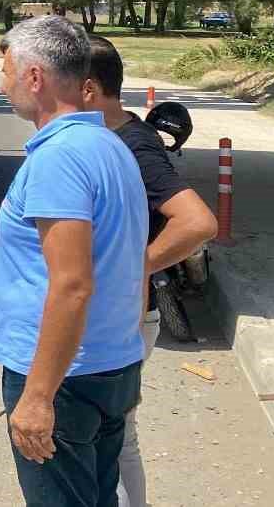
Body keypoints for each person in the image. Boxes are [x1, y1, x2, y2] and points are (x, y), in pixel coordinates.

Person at [0, 16, 148, 507]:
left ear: (34, 77)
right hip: (111, 367)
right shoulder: (109, 145)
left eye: (7, 70)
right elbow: (128, 260)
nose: (2, 83)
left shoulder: (58, 158)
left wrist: (37, 396)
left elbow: (73, 284)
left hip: (65, 380)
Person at [82, 37, 219, 507]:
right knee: (115, 435)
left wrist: (133, 266)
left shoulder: (134, 146)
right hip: (116, 312)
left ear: (87, 88)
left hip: (126, 314)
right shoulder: (107, 138)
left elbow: (199, 222)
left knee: (114, 436)